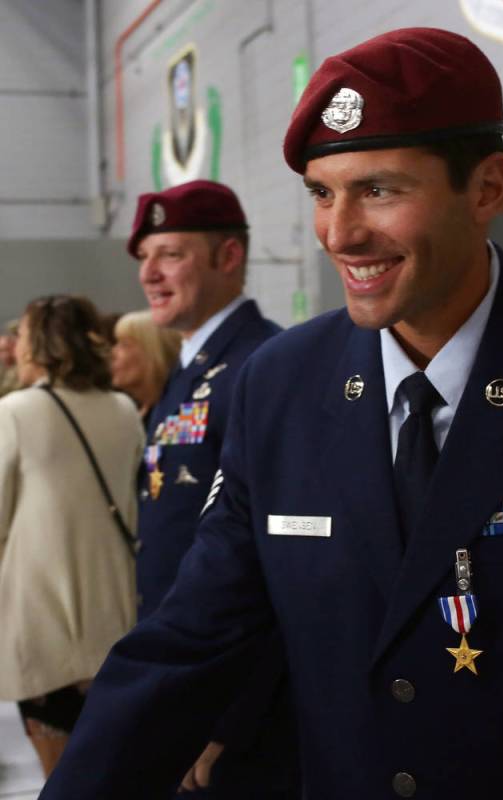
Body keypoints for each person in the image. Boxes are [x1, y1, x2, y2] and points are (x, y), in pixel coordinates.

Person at [42, 28, 503, 799]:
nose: (341, 233)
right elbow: (189, 643)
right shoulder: (280, 389)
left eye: (380, 189)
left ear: (488, 188)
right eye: (322, 193)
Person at [126, 179, 292, 798]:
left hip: (234, 704)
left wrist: (227, 713)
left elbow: (281, 558)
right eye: (145, 258)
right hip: (187, 674)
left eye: (170, 254)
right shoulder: (193, 366)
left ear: (229, 256)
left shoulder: (263, 363)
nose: (150, 274)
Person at [0, 295, 144, 778]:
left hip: (41, 622)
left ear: (37, 343)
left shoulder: (16, 412)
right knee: (106, 769)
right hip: (113, 617)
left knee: (58, 776)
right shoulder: (124, 409)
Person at [110, 309, 181, 424]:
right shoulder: (134, 411)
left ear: (153, 352)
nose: (113, 353)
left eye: (125, 345)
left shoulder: (178, 411)